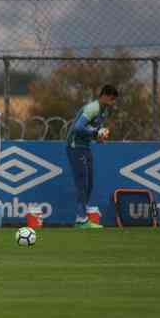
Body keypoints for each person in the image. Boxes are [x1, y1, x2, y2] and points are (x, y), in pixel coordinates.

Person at [66, 84, 119, 228]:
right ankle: (81, 219)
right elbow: (78, 127)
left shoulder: (104, 111)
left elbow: (90, 129)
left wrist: (98, 137)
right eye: (112, 99)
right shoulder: (93, 108)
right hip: (75, 147)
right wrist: (96, 133)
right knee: (82, 183)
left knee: (89, 184)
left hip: (85, 147)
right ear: (105, 96)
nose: (113, 103)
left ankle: (82, 217)